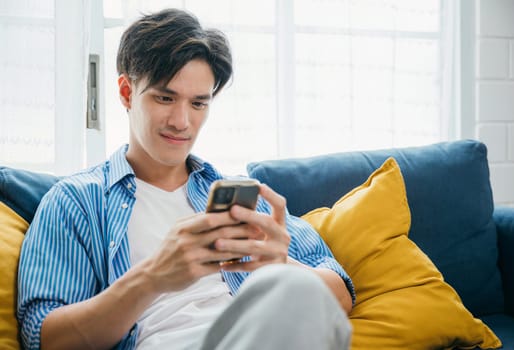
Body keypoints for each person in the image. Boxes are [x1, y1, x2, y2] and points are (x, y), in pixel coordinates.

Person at [17, 8, 355, 350]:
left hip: (256, 337)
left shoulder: (237, 197)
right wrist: (151, 277)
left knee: (300, 290)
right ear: (126, 92)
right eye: (165, 97)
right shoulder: (76, 201)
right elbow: (42, 338)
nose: (182, 121)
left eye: (198, 104)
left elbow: (338, 298)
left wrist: (282, 265)